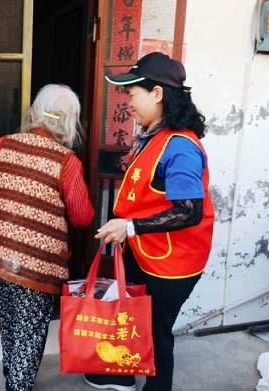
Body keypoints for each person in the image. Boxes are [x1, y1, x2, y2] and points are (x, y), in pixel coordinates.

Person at [84, 52, 215, 391]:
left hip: (172, 263)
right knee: (134, 317)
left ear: (157, 94)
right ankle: (123, 373)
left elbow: (189, 211)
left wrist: (129, 227)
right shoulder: (155, 135)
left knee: (157, 333)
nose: (129, 102)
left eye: (133, 93)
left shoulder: (181, 147)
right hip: (148, 252)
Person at [0, 84, 95, 391]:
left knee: (11, 327)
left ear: (34, 113)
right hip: (35, 266)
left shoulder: (3, 144)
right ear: (69, 121)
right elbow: (82, 217)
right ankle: (18, 385)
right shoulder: (67, 162)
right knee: (29, 332)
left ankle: (14, 379)